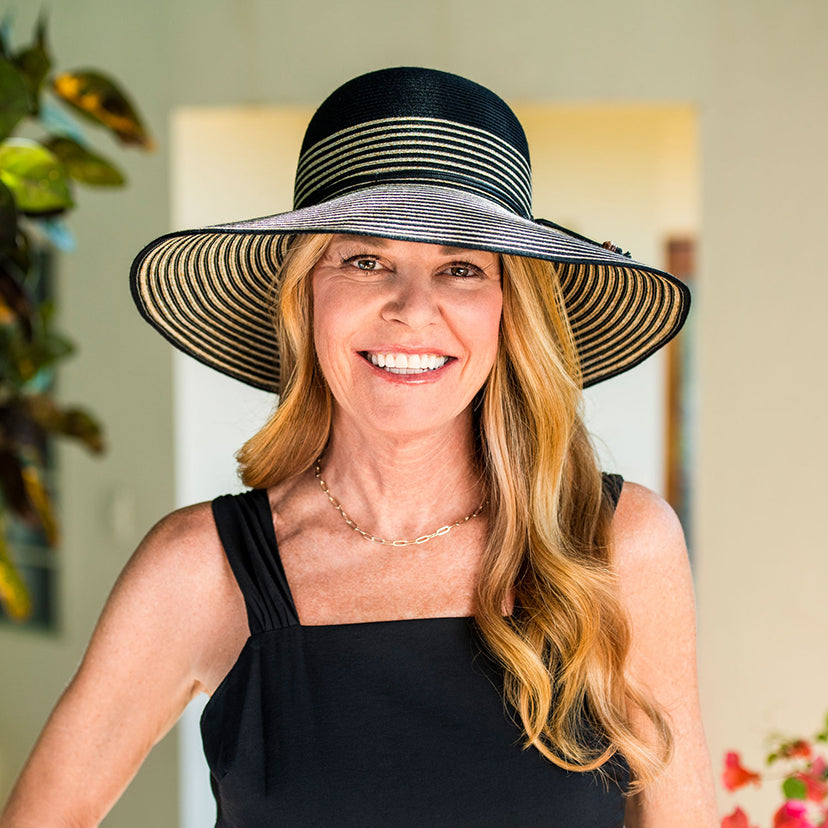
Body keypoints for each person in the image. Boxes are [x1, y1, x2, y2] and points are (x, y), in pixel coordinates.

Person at [0, 67, 717, 827]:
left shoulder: (619, 546)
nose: (412, 309)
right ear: (306, 295)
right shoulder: (201, 570)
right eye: (365, 260)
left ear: (510, 313)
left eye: (462, 267)